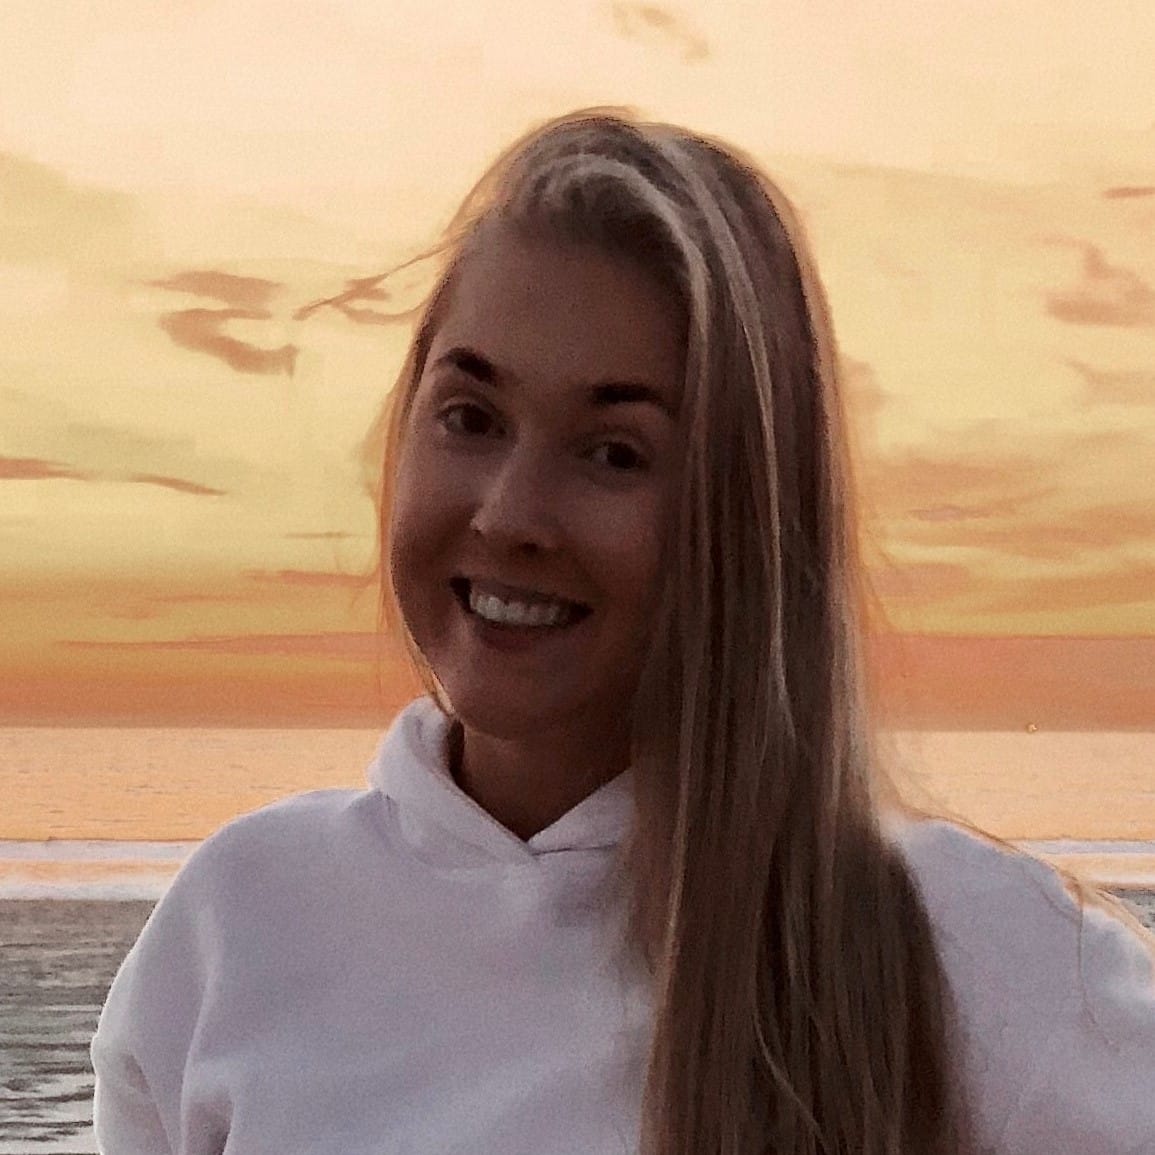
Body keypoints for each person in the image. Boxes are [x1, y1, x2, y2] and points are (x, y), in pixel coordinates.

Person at [90, 107, 1155, 1154]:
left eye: (614, 452)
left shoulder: (982, 963)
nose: (509, 513)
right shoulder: (240, 923)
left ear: (749, 515)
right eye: (471, 418)